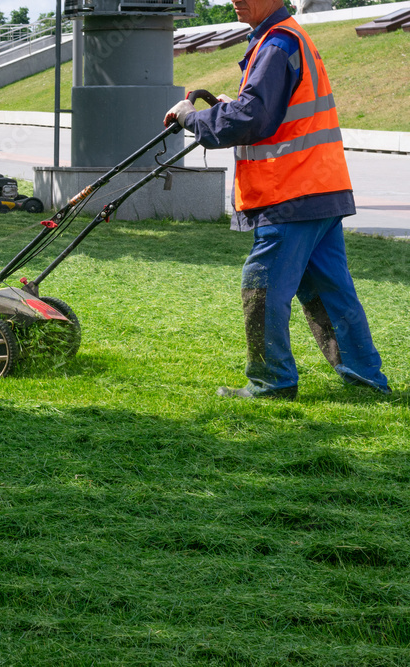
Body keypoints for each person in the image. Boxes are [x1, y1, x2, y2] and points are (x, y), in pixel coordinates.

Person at [164, 0, 390, 400]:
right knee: (331, 290)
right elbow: (270, 117)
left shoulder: (276, 44)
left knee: (262, 286)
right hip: (318, 188)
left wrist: (191, 117)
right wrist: (225, 109)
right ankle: (366, 379)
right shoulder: (285, 39)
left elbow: (250, 120)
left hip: (290, 193)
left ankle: (271, 382)